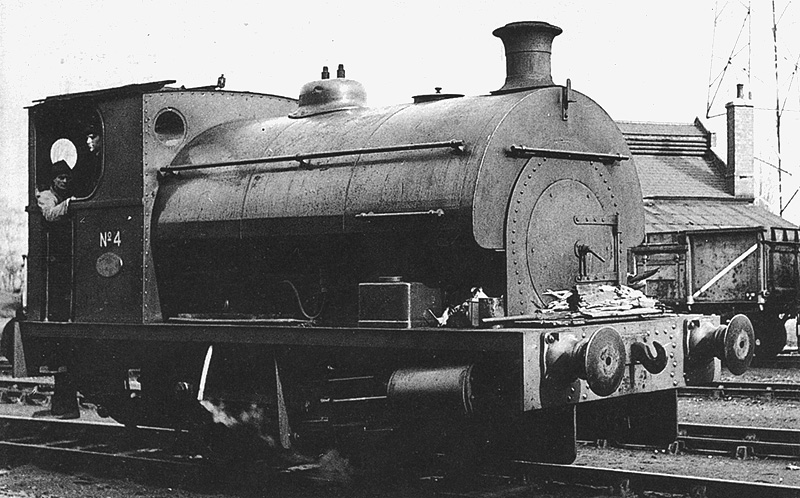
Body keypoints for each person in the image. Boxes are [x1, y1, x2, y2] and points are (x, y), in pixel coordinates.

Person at [34, 160, 80, 419]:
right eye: (60, 178)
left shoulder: (64, 195)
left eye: (67, 177)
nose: (64, 181)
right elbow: (50, 215)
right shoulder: (46, 197)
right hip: (53, 267)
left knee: (66, 349)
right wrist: (70, 204)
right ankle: (63, 405)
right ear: (53, 180)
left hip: (66, 264)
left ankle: (64, 405)